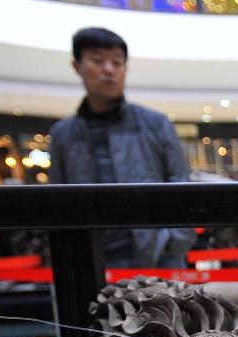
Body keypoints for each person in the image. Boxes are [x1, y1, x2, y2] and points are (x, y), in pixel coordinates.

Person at [48, 27, 195, 268]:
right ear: (77, 66)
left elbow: (181, 186)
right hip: (91, 260)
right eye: (97, 60)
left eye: (117, 62)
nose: (109, 70)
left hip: (156, 258)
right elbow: (58, 201)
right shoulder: (63, 134)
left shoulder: (155, 124)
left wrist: (173, 245)